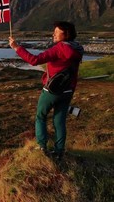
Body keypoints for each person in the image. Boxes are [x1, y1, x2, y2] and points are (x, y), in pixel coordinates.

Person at [9, 21, 84, 160]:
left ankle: (42, 147)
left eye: (57, 32)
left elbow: (34, 60)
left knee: (40, 117)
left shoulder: (59, 48)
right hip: (68, 91)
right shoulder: (77, 48)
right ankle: (59, 151)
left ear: (66, 34)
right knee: (59, 121)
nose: (53, 34)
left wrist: (16, 47)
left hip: (51, 91)